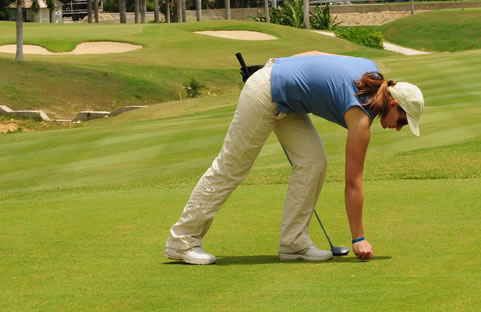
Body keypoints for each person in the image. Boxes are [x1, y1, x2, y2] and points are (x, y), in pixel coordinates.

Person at [164, 51, 423, 264]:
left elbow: (315, 55)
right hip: (267, 92)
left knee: (313, 162)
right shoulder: (361, 116)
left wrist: (277, 65)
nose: (398, 127)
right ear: (393, 104)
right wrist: (358, 239)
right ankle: (182, 241)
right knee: (232, 166)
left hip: (285, 97)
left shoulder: (371, 71)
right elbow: (353, 183)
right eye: (402, 120)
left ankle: (294, 242)